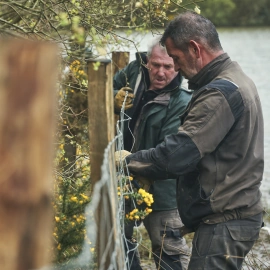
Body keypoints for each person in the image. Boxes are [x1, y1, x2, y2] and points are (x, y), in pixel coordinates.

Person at [125, 11, 264, 270]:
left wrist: (128, 161)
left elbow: (177, 155)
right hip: (231, 217)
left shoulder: (219, 93)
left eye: (175, 59)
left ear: (195, 49)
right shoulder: (234, 79)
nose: (174, 68)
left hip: (226, 222)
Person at [113, 37, 192, 270]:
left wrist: (140, 170)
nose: (160, 72)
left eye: (168, 67)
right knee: (118, 240)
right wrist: (114, 96)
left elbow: (167, 150)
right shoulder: (134, 72)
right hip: (121, 178)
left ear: (177, 66)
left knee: (169, 250)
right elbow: (103, 86)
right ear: (146, 61)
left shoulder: (182, 101)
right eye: (155, 65)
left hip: (163, 188)